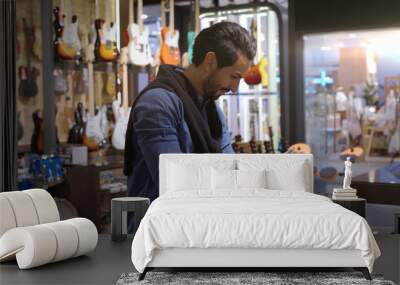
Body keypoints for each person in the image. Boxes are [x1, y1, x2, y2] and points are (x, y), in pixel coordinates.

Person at [124, 21, 256, 201]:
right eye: (234, 77)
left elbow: (230, 170)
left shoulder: (213, 111)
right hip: (155, 224)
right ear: (210, 62)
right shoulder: (158, 104)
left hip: (199, 219)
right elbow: (175, 185)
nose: (234, 88)